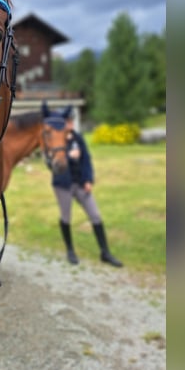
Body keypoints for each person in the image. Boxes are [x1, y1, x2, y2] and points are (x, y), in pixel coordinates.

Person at [44, 104, 123, 267]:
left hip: (80, 183)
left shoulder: (78, 138)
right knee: (66, 217)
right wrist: (68, 155)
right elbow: (51, 161)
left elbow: (86, 159)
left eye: (71, 122)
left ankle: (105, 252)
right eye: (67, 122)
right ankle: (70, 250)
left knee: (95, 215)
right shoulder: (54, 138)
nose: (70, 125)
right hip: (63, 185)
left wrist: (88, 180)